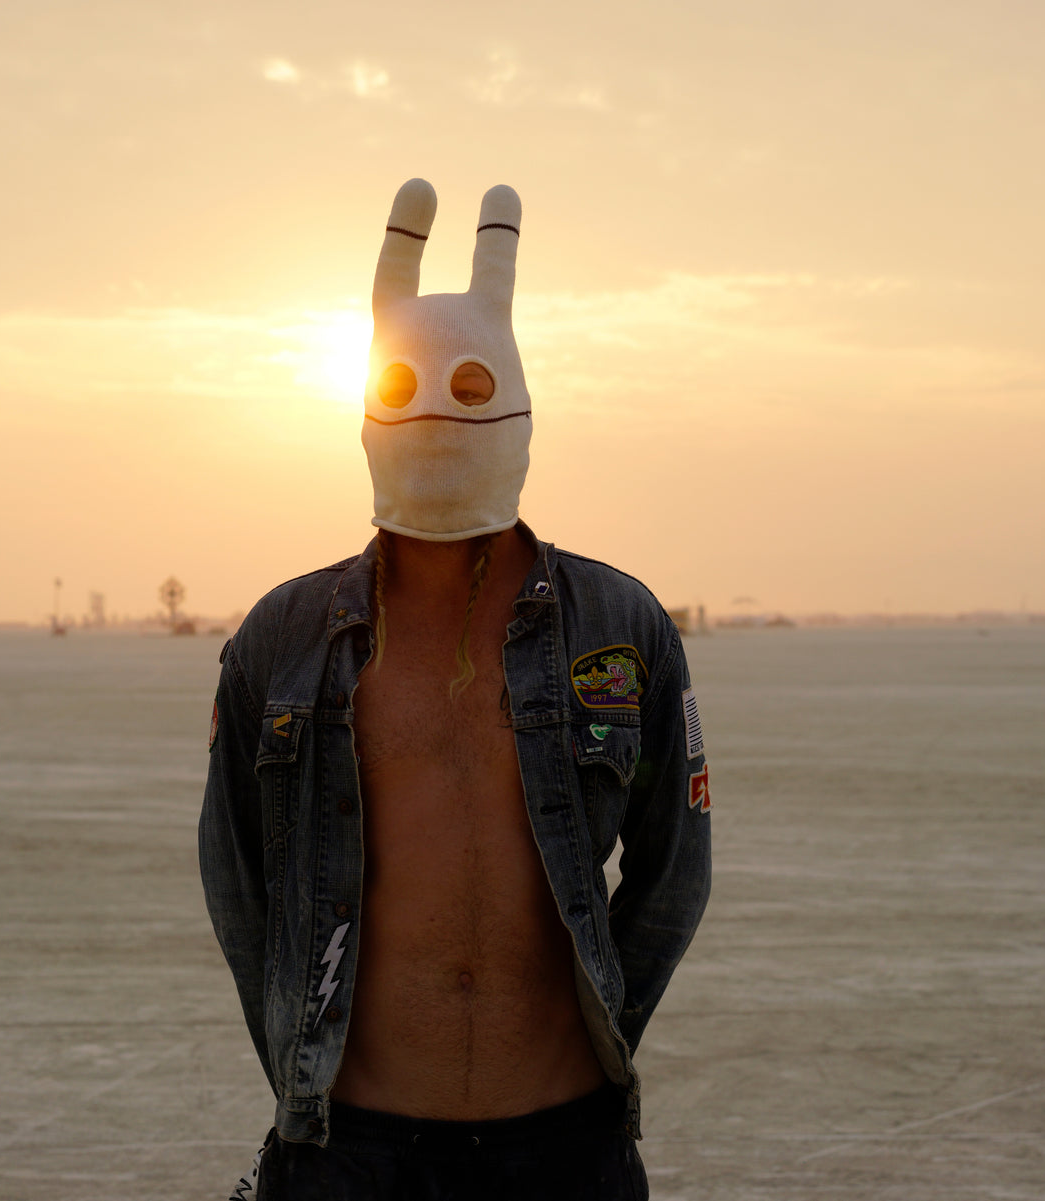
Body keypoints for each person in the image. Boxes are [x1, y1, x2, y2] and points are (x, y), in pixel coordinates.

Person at [200, 179, 711, 1201]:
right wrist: (303, 1069)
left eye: (474, 388)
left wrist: (598, 1028)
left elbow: (673, 872)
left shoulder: (620, 625)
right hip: (353, 1150)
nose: (439, 411)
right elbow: (238, 876)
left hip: (565, 1146)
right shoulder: (285, 638)